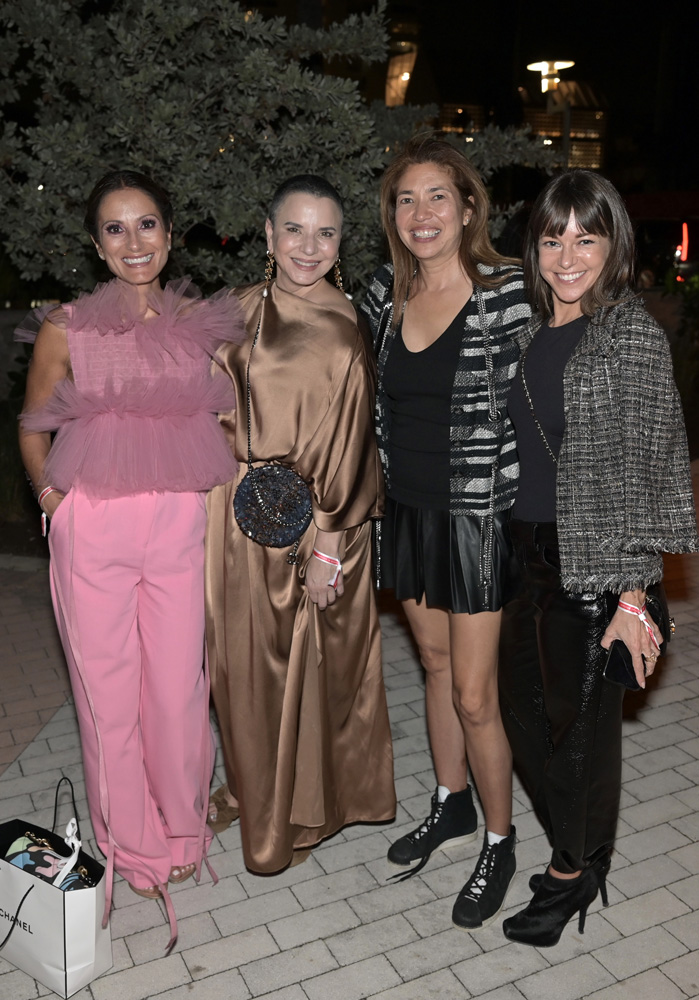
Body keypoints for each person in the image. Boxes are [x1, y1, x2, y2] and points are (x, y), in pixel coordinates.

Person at [18, 170, 246, 943]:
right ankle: (130, 847)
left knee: (180, 687)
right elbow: (31, 425)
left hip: (178, 522)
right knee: (108, 697)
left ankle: (183, 832)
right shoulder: (68, 325)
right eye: (115, 229)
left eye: (146, 224)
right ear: (95, 243)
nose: (133, 242)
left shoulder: (195, 321)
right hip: (93, 527)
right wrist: (52, 502)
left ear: (170, 233)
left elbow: (223, 415)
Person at [500, 169, 698, 947]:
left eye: (586, 237)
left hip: (594, 564)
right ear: (535, 245)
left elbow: (653, 464)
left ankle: (569, 871)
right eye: (553, 237)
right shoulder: (528, 333)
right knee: (522, 717)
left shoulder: (629, 334)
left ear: (612, 244)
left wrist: (634, 594)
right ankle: (586, 842)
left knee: (579, 731)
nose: (567, 254)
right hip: (524, 556)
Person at [360, 135, 531, 929]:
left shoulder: (506, 293)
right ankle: (451, 802)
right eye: (405, 199)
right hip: (410, 510)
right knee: (430, 665)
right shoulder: (381, 298)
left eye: (437, 197)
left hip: (477, 519)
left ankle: (500, 838)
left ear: (467, 208)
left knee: (472, 694)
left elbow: (551, 398)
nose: (420, 213)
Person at [205, 174, 396, 873]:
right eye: (294, 229)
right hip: (228, 518)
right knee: (238, 670)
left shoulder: (345, 324)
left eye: (325, 233)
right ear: (267, 234)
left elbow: (352, 440)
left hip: (313, 527)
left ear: (342, 242)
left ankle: (295, 814)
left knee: (304, 674)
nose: (307, 246)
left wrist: (330, 544)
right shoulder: (232, 309)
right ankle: (251, 789)